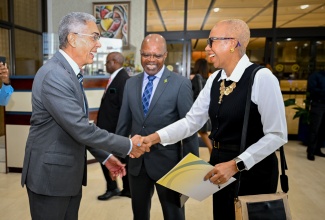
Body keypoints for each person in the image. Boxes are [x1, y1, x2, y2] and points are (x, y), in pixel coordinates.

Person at [143, 19, 287, 219]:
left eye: (212, 41)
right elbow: (191, 122)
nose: (207, 48)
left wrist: (236, 164)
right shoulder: (214, 79)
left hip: (253, 170)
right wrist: (155, 137)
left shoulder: (262, 78)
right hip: (219, 169)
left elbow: (277, 134)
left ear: (232, 43)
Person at [20, 12, 149, 220]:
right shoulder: (55, 75)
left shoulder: (69, 73)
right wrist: (128, 145)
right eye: (94, 37)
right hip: (50, 180)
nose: (98, 45)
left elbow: (75, 128)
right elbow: (80, 128)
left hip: (66, 177)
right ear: (72, 38)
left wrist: (105, 157)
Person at [115, 34, 199, 220]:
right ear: (140, 55)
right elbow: (124, 123)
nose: (151, 60)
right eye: (146, 55)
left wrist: (191, 170)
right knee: (139, 214)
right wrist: (117, 155)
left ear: (165, 55)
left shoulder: (181, 84)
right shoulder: (130, 84)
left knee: (174, 215)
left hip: (170, 165)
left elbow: (189, 128)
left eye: (157, 55)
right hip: (137, 165)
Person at [96, 52, 131, 200]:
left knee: (108, 159)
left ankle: (114, 188)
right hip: (110, 129)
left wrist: (121, 132)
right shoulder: (116, 78)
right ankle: (124, 188)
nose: (105, 65)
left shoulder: (123, 79)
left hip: (114, 130)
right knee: (120, 160)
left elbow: (125, 107)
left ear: (115, 62)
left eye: (107, 62)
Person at [190, 58, 213, 154]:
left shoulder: (197, 77)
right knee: (201, 132)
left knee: (202, 132)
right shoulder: (208, 78)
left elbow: (198, 93)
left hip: (198, 108)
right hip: (206, 107)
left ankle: (212, 151)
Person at [306, 70, 325, 160]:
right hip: (318, 104)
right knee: (314, 128)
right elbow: (312, 89)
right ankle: (311, 151)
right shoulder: (316, 75)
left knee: (322, 129)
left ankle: (317, 149)